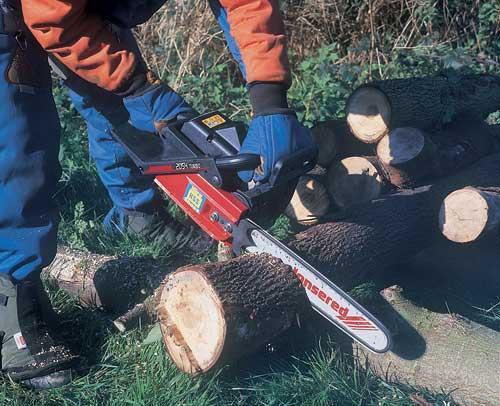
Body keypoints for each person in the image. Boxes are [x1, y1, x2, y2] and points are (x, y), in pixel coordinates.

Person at [0, 0, 312, 389]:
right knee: (20, 146)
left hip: (86, 10)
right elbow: (52, 16)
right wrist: (138, 86)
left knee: (115, 106)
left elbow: (247, 5)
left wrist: (270, 101)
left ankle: (138, 216)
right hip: (34, 11)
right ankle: (11, 295)